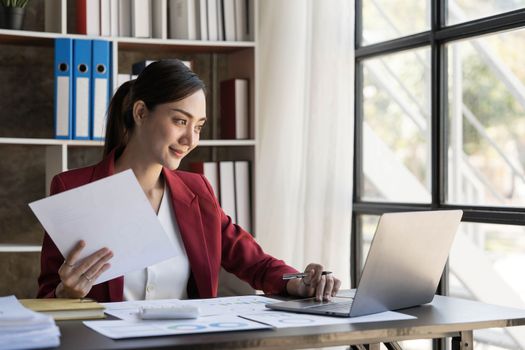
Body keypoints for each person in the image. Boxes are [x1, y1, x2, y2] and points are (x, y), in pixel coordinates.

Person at [37, 59, 341, 303]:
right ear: (141, 112)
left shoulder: (197, 190)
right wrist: (68, 294)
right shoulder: (75, 188)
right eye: (180, 121)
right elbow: (46, 296)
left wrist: (298, 283)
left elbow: (255, 263)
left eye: (198, 126)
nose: (190, 139)